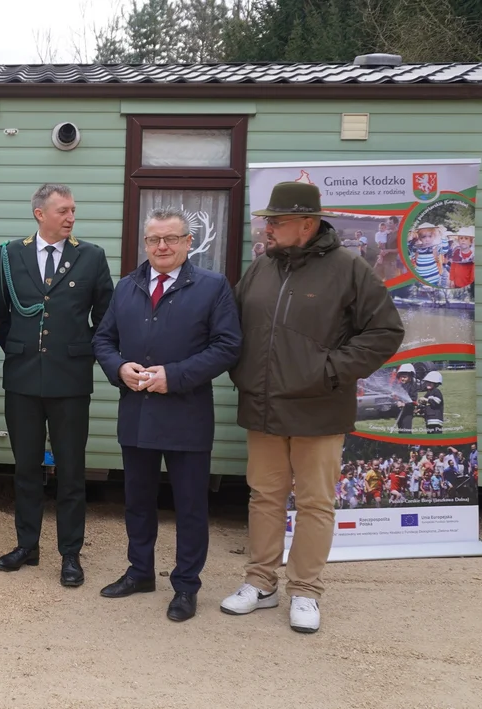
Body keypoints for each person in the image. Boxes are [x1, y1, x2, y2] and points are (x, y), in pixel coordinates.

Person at [222, 181, 403, 634]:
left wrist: (329, 370)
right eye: (267, 221)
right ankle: (261, 583)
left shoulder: (349, 268)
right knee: (263, 496)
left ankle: (305, 590)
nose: (267, 228)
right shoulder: (261, 267)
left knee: (314, 502)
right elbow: (236, 323)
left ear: (307, 223)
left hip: (319, 407)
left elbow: (384, 332)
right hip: (263, 406)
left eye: (276, 221)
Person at [91, 208, 240, 621]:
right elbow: (103, 340)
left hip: (187, 414)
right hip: (136, 412)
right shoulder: (126, 287)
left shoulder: (212, 287)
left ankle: (186, 586)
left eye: (171, 239)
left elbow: (228, 346)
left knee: (190, 506)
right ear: (145, 243)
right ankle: (140, 572)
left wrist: (174, 377)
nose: (162, 247)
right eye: (154, 240)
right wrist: (119, 368)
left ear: (188, 243)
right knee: (137, 502)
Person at [0, 183, 114, 587]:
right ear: (40, 214)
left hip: (71, 380)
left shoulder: (91, 256)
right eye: (63, 210)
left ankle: (70, 554)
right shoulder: (10, 255)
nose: (71, 217)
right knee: (25, 468)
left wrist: (81, 352)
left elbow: (106, 320)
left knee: (72, 471)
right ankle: (27, 546)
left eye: (73, 210)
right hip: (23, 378)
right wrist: (19, 348)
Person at [394, 363, 419, 433]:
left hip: (407, 413)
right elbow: (397, 397)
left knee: (406, 430)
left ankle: (409, 443)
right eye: (401, 377)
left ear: (410, 377)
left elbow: (413, 400)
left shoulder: (412, 387)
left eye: (404, 377)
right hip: (399, 412)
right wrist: (396, 400)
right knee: (401, 430)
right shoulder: (400, 386)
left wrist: (404, 404)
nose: (402, 378)